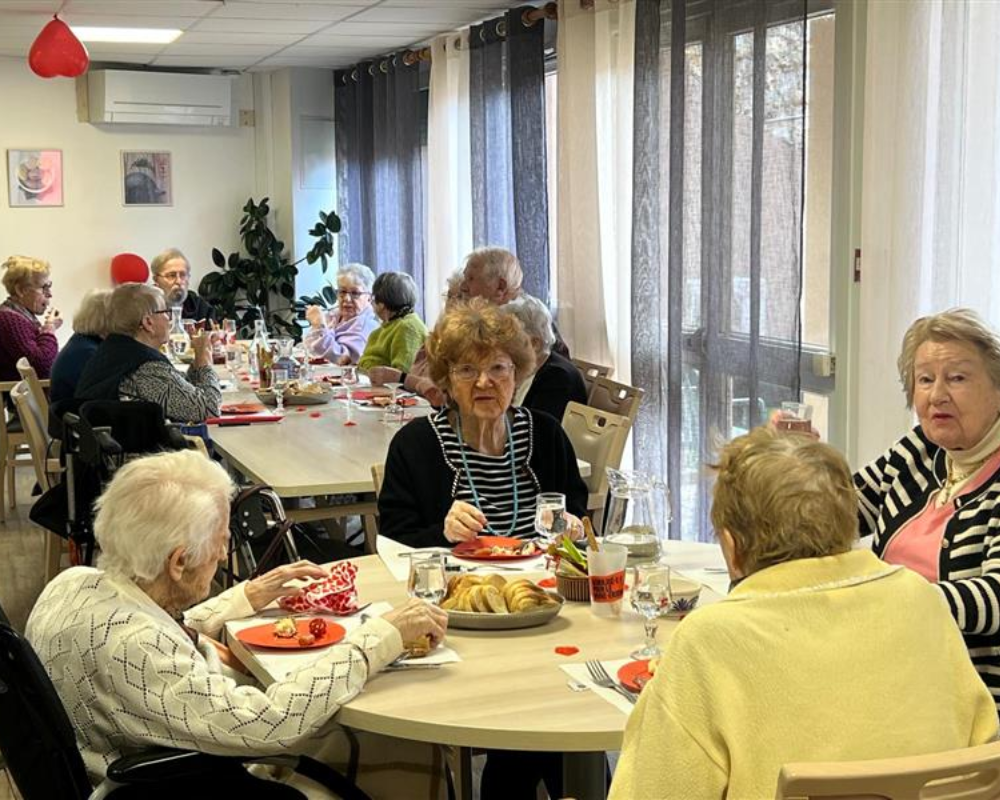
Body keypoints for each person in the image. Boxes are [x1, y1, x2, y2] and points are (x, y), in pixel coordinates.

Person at [25, 449, 449, 798]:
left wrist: (247, 595)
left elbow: (154, 628)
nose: (222, 554)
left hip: (146, 764)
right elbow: (270, 723)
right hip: (181, 783)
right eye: (221, 542)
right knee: (393, 744)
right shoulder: (136, 648)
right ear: (178, 562)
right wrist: (381, 636)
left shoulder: (74, 584)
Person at [609, 427, 998, 800]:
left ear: (732, 546)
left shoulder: (708, 641)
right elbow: (984, 751)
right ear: (847, 525)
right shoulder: (922, 602)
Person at [854, 308, 1000, 711]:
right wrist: (801, 458)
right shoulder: (920, 449)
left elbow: (995, 597)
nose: (937, 395)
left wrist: (892, 600)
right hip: (887, 675)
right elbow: (832, 514)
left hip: (972, 706)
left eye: (957, 378)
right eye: (924, 380)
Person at [378, 298, 587, 548]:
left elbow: (578, 518)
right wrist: (443, 534)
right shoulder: (415, 445)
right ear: (447, 381)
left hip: (539, 572)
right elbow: (394, 541)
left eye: (497, 368)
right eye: (467, 370)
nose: (484, 382)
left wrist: (572, 526)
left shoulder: (546, 435)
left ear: (516, 374)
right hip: (456, 573)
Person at [76, 283, 222, 424]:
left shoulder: (114, 350)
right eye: (165, 312)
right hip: (135, 441)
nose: (169, 318)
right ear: (148, 323)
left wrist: (197, 363)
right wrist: (204, 360)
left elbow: (181, 391)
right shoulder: (145, 367)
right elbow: (209, 409)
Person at [368, 269, 465, 407]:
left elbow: (439, 393)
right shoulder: (440, 331)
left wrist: (402, 379)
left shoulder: (408, 327)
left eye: (460, 296)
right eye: (449, 296)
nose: (451, 303)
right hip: (416, 404)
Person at [460, 246, 570, 358]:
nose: (462, 287)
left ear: (500, 287)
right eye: (464, 278)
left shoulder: (525, 320)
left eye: (470, 279)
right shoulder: (482, 320)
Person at [505, 294, 587, 422]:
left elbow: (537, 429)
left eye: (510, 341)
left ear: (535, 344)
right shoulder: (529, 370)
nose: (501, 347)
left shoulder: (557, 378)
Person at [303, 263, 379, 365]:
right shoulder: (334, 315)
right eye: (342, 292)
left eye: (355, 293)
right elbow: (309, 348)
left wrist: (320, 326)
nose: (347, 299)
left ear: (369, 298)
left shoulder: (366, 325)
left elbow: (343, 360)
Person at [0, 255, 60, 383]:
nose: (50, 294)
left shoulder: (21, 316)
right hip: (20, 395)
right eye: (44, 288)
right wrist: (49, 328)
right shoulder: (9, 320)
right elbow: (42, 364)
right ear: (21, 290)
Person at [357, 271, 427, 373]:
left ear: (382, 303)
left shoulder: (408, 328)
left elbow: (402, 373)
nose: (371, 302)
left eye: (373, 298)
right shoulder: (384, 328)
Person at [49, 289, 111, 404]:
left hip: (68, 409)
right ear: (105, 319)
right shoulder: (88, 353)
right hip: (73, 413)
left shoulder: (81, 342)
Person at [150, 248, 217, 323]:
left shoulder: (201, 307)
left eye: (183, 275)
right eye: (171, 275)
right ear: (156, 280)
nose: (178, 281)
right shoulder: (146, 307)